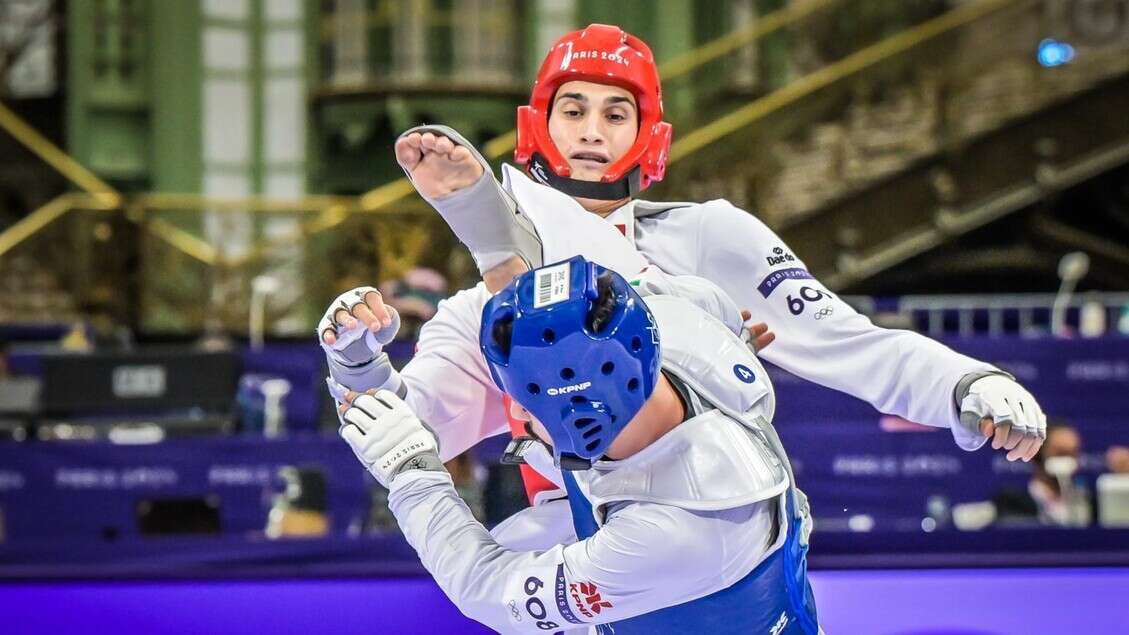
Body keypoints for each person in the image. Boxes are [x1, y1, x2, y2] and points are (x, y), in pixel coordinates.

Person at [319, 24, 1047, 507]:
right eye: (572, 110)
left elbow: (850, 343)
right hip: (574, 558)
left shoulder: (708, 236)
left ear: (647, 135)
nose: (592, 132)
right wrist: (357, 365)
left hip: (727, 528)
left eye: (615, 113)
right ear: (538, 125)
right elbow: (412, 437)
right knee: (517, 298)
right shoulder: (480, 309)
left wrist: (965, 379)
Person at [336, 257, 820, 634]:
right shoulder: (682, 321)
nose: (517, 416)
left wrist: (413, 476)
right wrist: (361, 370)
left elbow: (486, 591)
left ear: (587, 411)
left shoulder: (677, 531)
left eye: (526, 401)